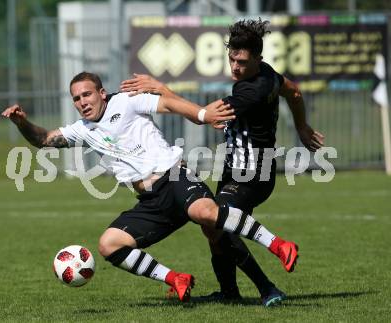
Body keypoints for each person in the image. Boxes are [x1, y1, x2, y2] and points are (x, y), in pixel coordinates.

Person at [2, 71, 300, 303]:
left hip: (174, 176)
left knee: (207, 216)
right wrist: (21, 123)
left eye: (87, 94)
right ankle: (175, 279)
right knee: (109, 244)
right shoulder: (82, 129)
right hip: (151, 201)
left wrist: (201, 115)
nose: (82, 102)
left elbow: (168, 103)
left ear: (102, 93)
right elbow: (44, 139)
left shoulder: (126, 101)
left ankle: (278, 246)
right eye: (76, 98)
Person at [120, 18, 324, 306]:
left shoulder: (249, 91)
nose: (235, 67)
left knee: (218, 224)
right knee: (214, 228)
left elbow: (207, 115)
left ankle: (268, 289)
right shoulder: (268, 74)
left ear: (258, 59)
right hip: (238, 169)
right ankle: (229, 292)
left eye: (241, 62)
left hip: (252, 173)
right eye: (232, 59)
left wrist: (160, 89)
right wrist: (302, 126)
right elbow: (294, 91)